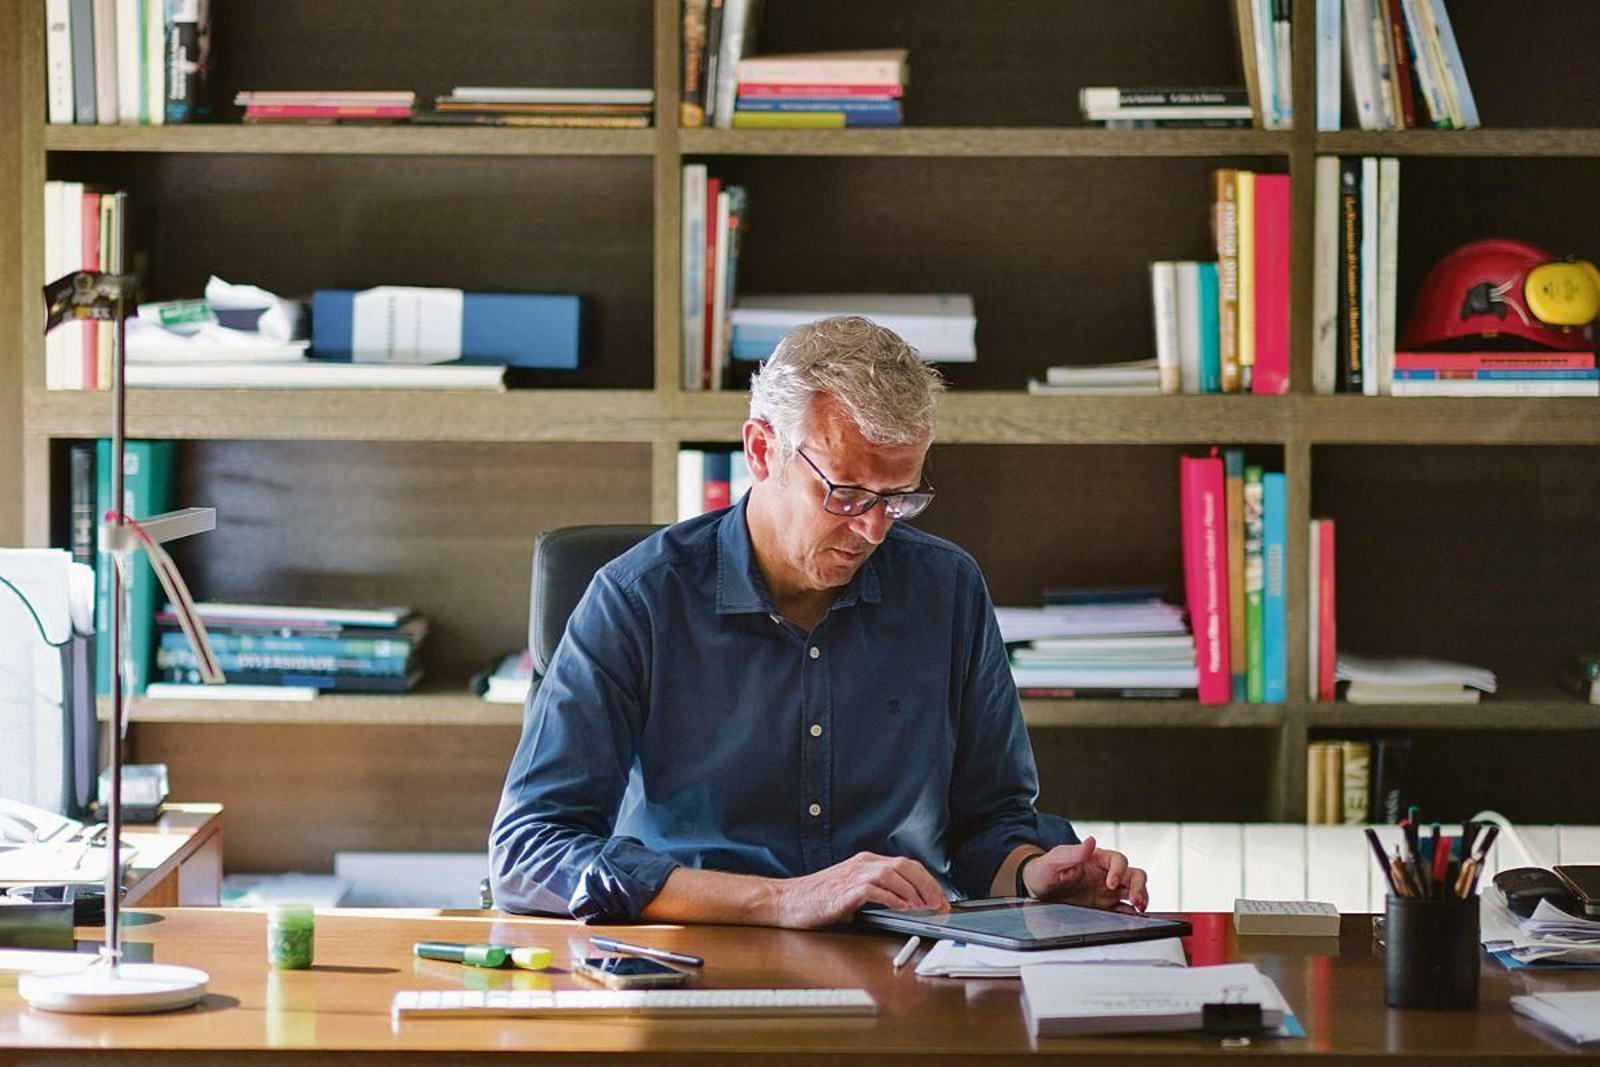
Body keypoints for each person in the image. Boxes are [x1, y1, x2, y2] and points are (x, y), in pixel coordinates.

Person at [490, 316, 1149, 926]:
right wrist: (782, 898)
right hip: (699, 958)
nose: (871, 530)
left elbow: (988, 825)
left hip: (900, 962)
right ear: (760, 450)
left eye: (898, 498)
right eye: (846, 492)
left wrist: (1033, 874)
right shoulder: (637, 601)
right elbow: (529, 850)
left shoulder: (947, 590)